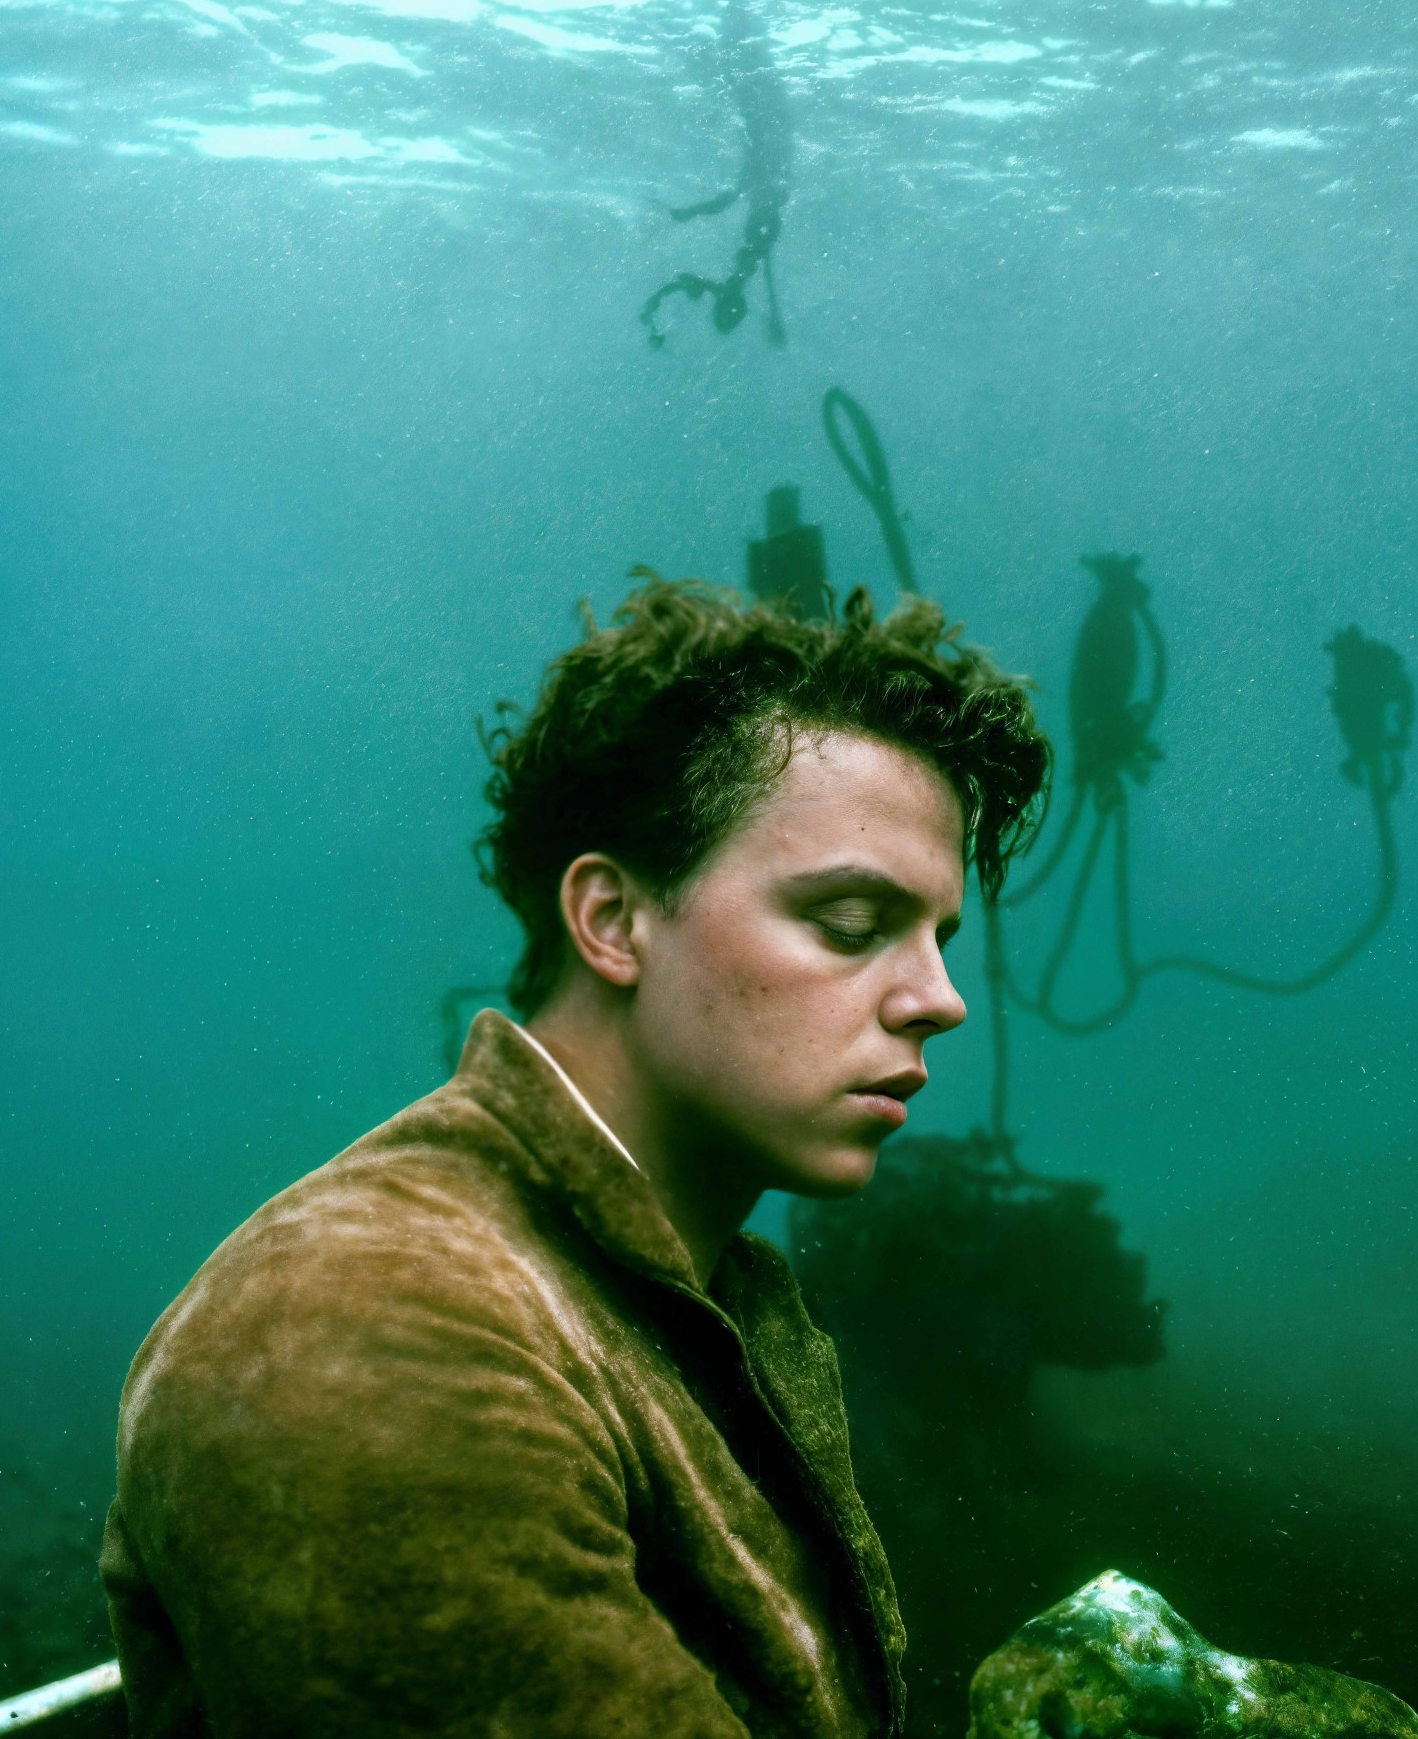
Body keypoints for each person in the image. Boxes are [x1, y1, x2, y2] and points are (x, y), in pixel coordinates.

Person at [100, 577, 1049, 1739]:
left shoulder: (699, 1291)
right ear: (610, 919)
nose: (941, 1000)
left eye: (937, 938)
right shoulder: (360, 1322)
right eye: (852, 925)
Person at [642, 1, 793, 349]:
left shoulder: (753, 245)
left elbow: (731, 202)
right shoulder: (757, 237)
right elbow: (735, 206)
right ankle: (736, 27)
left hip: (766, 186)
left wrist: (689, 213)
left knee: (747, 90)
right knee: (748, 90)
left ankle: (734, 27)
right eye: (726, 308)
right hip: (766, 187)